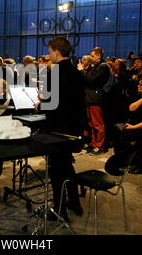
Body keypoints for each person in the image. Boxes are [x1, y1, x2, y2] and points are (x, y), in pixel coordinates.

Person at [36, 37, 85, 221]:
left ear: (57, 51)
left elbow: (51, 104)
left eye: (50, 52)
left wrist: (40, 105)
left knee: (56, 170)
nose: (49, 55)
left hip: (57, 129)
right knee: (67, 166)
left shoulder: (55, 72)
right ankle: (74, 202)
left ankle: (59, 210)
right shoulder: (76, 71)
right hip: (73, 127)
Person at [113, 77, 142, 174]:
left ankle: (134, 162)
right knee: (116, 133)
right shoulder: (139, 96)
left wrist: (133, 127)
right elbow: (130, 108)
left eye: (141, 84)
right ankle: (121, 160)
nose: (138, 86)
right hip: (135, 124)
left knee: (123, 139)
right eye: (139, 84)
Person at [77, 47, 110, 155]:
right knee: (91, 123)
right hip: (90, 98)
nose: (90, 58)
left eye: (92, 56)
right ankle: (94, 143)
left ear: (98, 55)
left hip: (96, 99)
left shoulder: (103, 67)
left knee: (98, 124)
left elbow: (92, 81)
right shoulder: (95, 67)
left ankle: (99, 146)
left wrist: (82, 70)